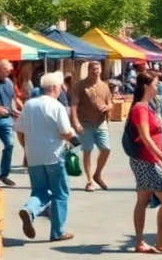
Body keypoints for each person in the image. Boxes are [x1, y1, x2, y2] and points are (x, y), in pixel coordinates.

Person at [17, 71, 80, 243]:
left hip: (34, 156)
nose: (61, 90)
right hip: (54, 155)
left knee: (40, 191)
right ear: (53, 87)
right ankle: (58, 232)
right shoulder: (56, 106)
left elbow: (20, 131)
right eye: (60, 87)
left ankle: (30, 210)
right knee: (60, 193)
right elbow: (66, 132)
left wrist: (26, 149)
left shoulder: (29, 105)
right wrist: (76, 142)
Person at [127, 71, 162, 255]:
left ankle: (140, 242)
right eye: (155, 83)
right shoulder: (140, 108)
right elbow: (146, 138)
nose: (158, 86)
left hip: (146, 160)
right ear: (145, 87)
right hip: (146, 161)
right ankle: (160, 242)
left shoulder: (147, 105)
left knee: (142, 200)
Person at [69, 59, 113, 192]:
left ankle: (97, 173)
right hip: (85, 122)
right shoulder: (80, 85)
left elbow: (110, 102)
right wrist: (75, 122)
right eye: (94, 70)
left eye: (98, 70)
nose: (97, 72)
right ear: (89, 71)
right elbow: (74, 105)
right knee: (87, 151)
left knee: (106, 149)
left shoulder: (104, 85)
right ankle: (89, 181)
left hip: (101, 122)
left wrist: (107, 106)